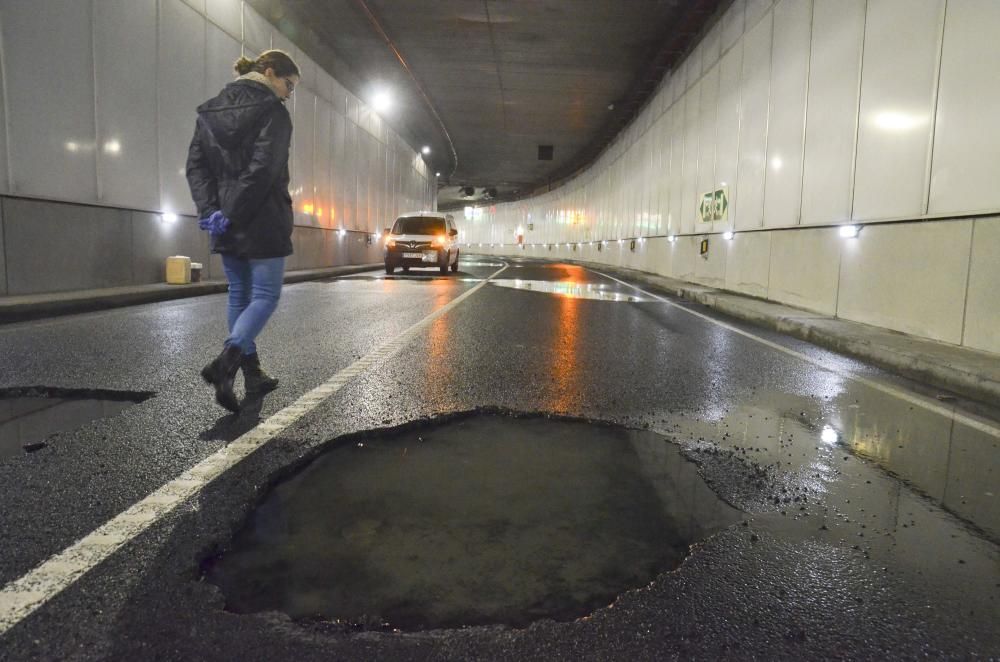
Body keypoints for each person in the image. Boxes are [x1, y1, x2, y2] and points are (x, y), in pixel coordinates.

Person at [186, 50, 300, 412]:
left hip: (223, 219)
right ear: (269, 73)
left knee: (239, 294)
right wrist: (232, 213)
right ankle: (226, 363)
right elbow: (264, 169)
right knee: (266, 296)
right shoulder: (274, 113)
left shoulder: (208, 112)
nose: (287, 93)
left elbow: (196, 168)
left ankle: (251, 375)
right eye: (288, 84)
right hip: (262, 217)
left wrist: (212, 211)